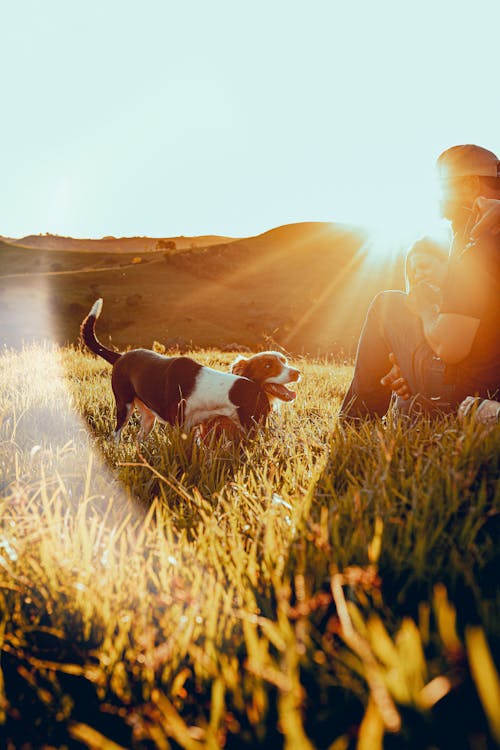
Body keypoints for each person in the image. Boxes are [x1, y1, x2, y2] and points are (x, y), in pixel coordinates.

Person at [340, 144, 500, 421]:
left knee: (387, 304)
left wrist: (426, 305)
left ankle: (355, 422)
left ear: (470, 186)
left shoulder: (476, 248)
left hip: (469, 391)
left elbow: (451, 348)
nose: (439, 199)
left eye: (443, 186)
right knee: (406, 401)